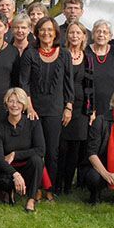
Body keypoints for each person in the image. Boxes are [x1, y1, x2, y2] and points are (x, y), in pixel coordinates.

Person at [20, 16, 74, 199]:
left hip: (55, 110)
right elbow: (24, 83)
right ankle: (35, 188)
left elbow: (68, 84)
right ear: (37, 33)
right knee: (36, 151)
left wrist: (68, 107)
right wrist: (29, 107)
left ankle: (49, 188)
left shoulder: (64, 54)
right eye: (42, 29)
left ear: (56, 33)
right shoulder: (30, 53)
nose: (46, 33)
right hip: (33, 110)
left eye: (50, 29)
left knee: (52, 152)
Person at [0, 88, 44, 212]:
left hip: (27, 168)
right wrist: (15, 174)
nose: (15, 105)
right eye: (11, 101)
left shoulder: (33, 123)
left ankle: (31, 199)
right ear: (6, 104)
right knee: (4, 181)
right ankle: (9, 191)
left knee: (37, 160)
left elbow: (40, 150)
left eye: (19, 101)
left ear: (24, 104)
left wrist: (15, 154)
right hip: (7, 170)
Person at [57, 21, 94, 194]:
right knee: (62, 146)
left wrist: (91, 109)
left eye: (78, 33)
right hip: (62, 103)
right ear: (67, 35)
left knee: (75, 148)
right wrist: (66, 105)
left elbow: (91, 84)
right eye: (71, 32)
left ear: (84, 36)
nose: (74, 36)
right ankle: (57, 183)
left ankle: (68, 186)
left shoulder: (88, 57)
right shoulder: (61, 54)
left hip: (81, 107)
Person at [86, 20, 114, 118]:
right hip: (89, 105)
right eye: (98, 31)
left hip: (112, 105)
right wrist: (90, 108)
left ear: (110, 36)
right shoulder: (85, 52)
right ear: (93, 35)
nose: (101, 35)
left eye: (105, 32)